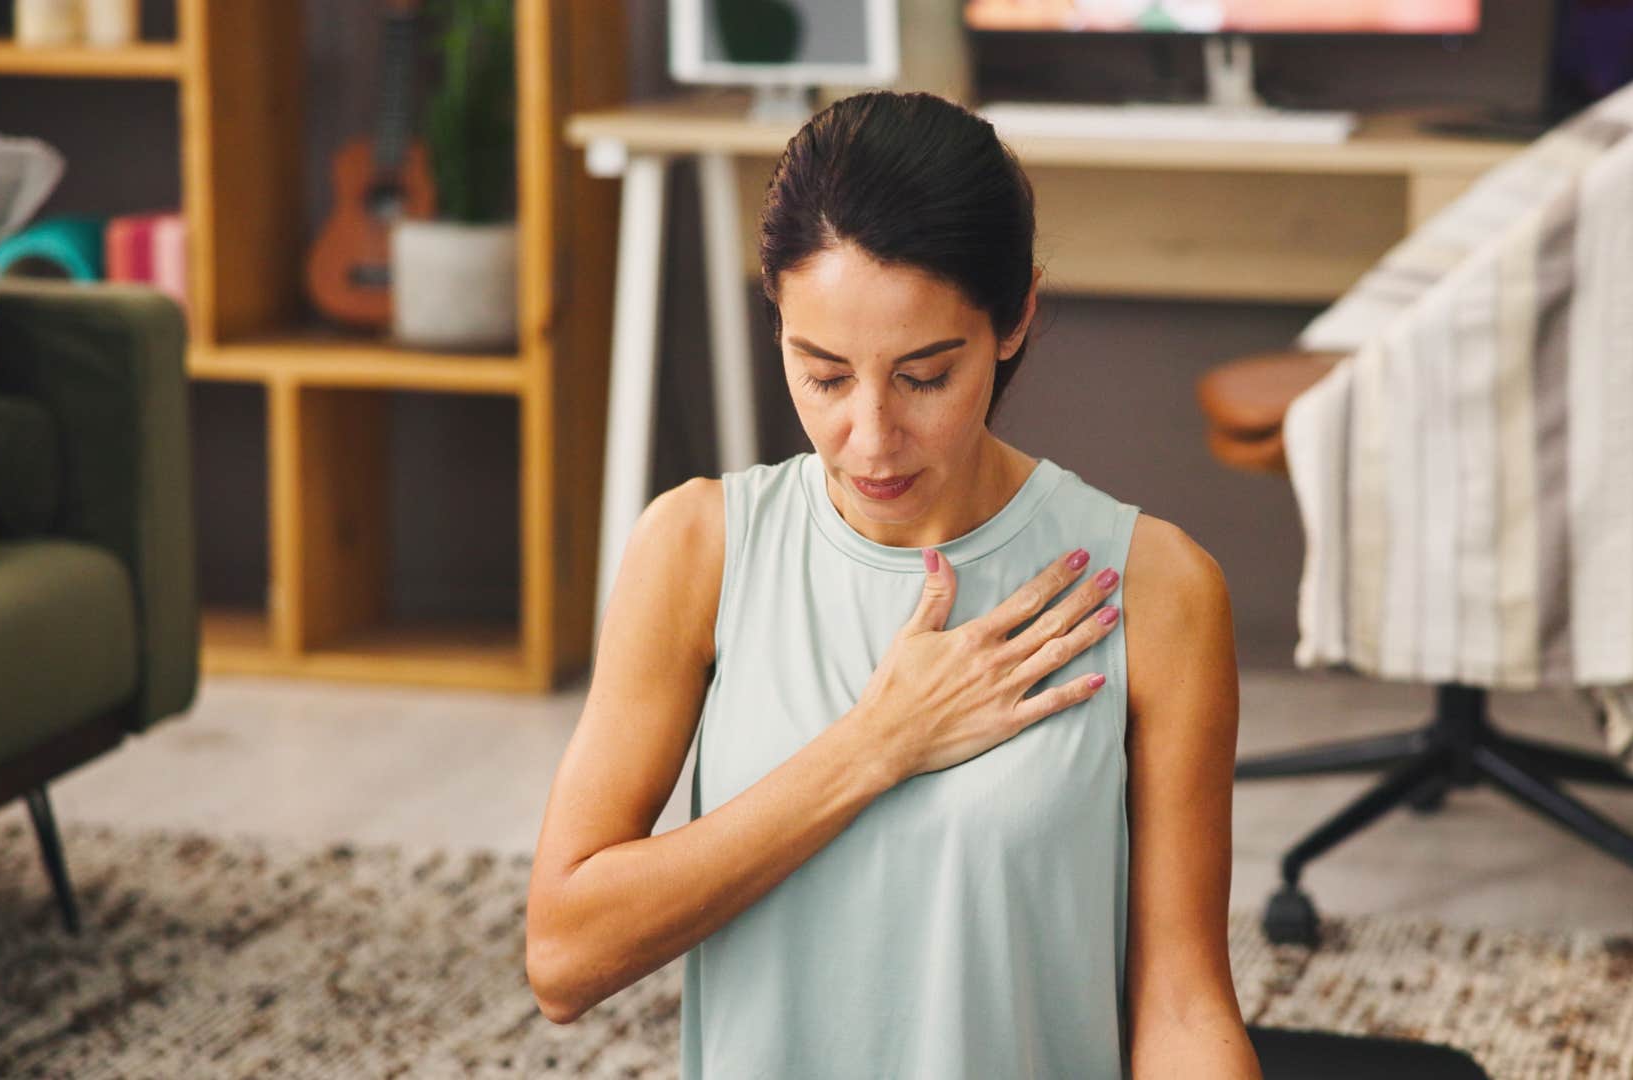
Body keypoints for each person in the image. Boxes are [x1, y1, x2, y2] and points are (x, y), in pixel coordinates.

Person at [524, 90, 1259, 1078]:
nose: (868, 439)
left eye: (923, 376)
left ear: (1015, 319)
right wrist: (877, 746)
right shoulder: (697, 549)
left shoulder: (1156, 588)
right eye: (823, 374)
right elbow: (564, 959)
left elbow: (1180, 1004)